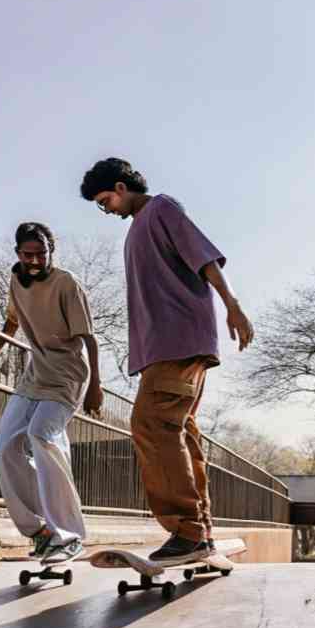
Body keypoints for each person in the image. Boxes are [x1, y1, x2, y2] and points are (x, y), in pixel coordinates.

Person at [80, 158, 254, 565]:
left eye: (105, 201)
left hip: (177, 343)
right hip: (165, 347)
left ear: (121, 187)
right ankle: (200, 531)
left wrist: (233, 305)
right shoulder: (138, 227)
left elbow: (205, 258)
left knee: (151, 425)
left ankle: (187, 531)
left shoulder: (161, 209)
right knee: (179, 431)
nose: (106, 210)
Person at [0, 222, 102, 564]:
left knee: (41, 435)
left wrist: (96, 387)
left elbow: (88, 338)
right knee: (6, 447)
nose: (34, 261)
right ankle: (39, 530)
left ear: (50, 252)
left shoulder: (66, 283)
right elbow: (12, 322)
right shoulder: (16, 279)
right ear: (17, 253)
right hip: (35, 375)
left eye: (41, 254)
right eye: (27, 254)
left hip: (67, 376)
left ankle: (69, 534)